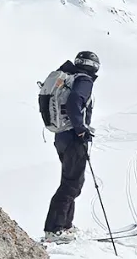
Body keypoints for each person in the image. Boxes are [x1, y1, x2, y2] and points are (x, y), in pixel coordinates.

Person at [42, 50, 100, 243]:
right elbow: (75, 101)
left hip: (61, 136)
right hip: (73, 136)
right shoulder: (84, 81)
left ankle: (65, 225)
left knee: (71, 181)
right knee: (71, 184)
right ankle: (54, 229)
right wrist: (81, 129)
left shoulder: (69, 76)